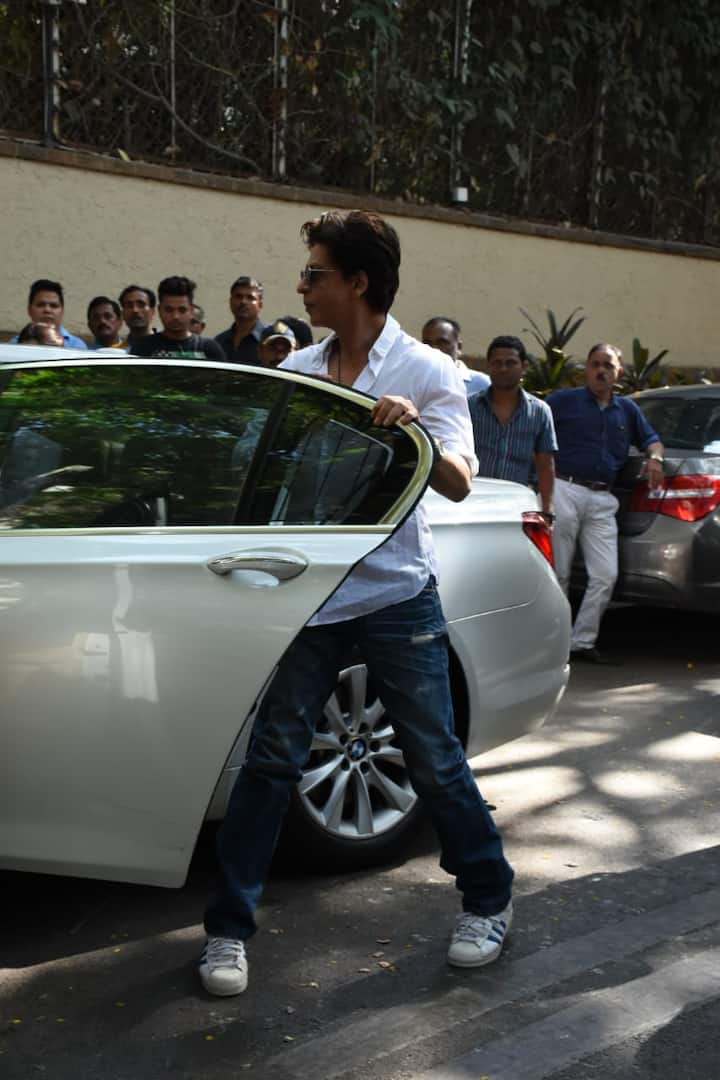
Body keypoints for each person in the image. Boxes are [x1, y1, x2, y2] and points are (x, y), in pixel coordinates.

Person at [199, 209, 514, 998]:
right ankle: (228, 931)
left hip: (398, 591)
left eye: (314, 273)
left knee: (436, 761)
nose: (302, 285)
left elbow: (461, 479)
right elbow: (254, 459)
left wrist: (415, 435)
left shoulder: (429, 371)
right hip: (309, 594)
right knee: (271, 765)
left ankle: (487, 900)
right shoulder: (301, 364)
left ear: (358, 283)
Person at [547, 343, 664, 663]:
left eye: (608, 366)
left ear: (618, 373)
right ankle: (553, 643)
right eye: (595, 363)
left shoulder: (627, 409)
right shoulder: (563, 401)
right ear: (585, 369)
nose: (601, 370)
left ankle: (581, 642)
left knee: (605, 574)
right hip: (564, 489)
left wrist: (654, 458)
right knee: (559, 572)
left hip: (602, 498)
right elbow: (535, 426)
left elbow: (652, 440)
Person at [469, 335, 557, 520]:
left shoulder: (540, 411)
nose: (503, 368)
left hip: (516, 505)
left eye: (510, 363)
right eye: (497, 363)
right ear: (488, 366)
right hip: (473, 501)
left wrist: (547, 508)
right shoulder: (470, 407)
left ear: (524, 367)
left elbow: (545, 464)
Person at [130, 276, 226, 361]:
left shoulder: (209, 349)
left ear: (191, 310)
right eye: (169, 310)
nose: (175, 316)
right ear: (159, 310)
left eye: (182, 310)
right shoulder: (143, 347)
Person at [422, 316, 489, 395]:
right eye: (427, 343)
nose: (434, 348)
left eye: (442, 343)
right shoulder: (415, 381)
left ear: (459, 347)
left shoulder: (482, 384)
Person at [10, 280, 87, 348]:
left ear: (62, 311)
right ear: (29, 310)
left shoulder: (77, 346)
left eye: (54, 306)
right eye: (40, 305)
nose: (47, 310)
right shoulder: (14, 345)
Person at [214, 276, 267, 364]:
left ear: (260, 305)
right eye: (238, 296)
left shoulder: (269, 340)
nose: (243, 302)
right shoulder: (219, 341)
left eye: (250, 298)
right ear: (230, 302)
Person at [119, 285, 157, 350]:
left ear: (152, 311)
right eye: (129, 306)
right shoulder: (116, 353)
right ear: (122, 313)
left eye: (141, 304)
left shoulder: (166, 349)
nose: (135, 310)